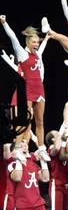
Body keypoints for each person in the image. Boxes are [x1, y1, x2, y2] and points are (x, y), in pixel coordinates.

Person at [0, 15, 50, 151]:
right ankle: (17, 148)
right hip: (27, 91)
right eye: (34, 42)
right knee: (25, 121)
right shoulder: (22, 53)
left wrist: (46, 38)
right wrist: (4, 23)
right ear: (28, 42)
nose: (36, 45)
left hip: (40, 90)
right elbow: (13, 38)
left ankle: (41, 148)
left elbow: (42, 48)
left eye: (37, 43)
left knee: (40, 122)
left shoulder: (38, 54)